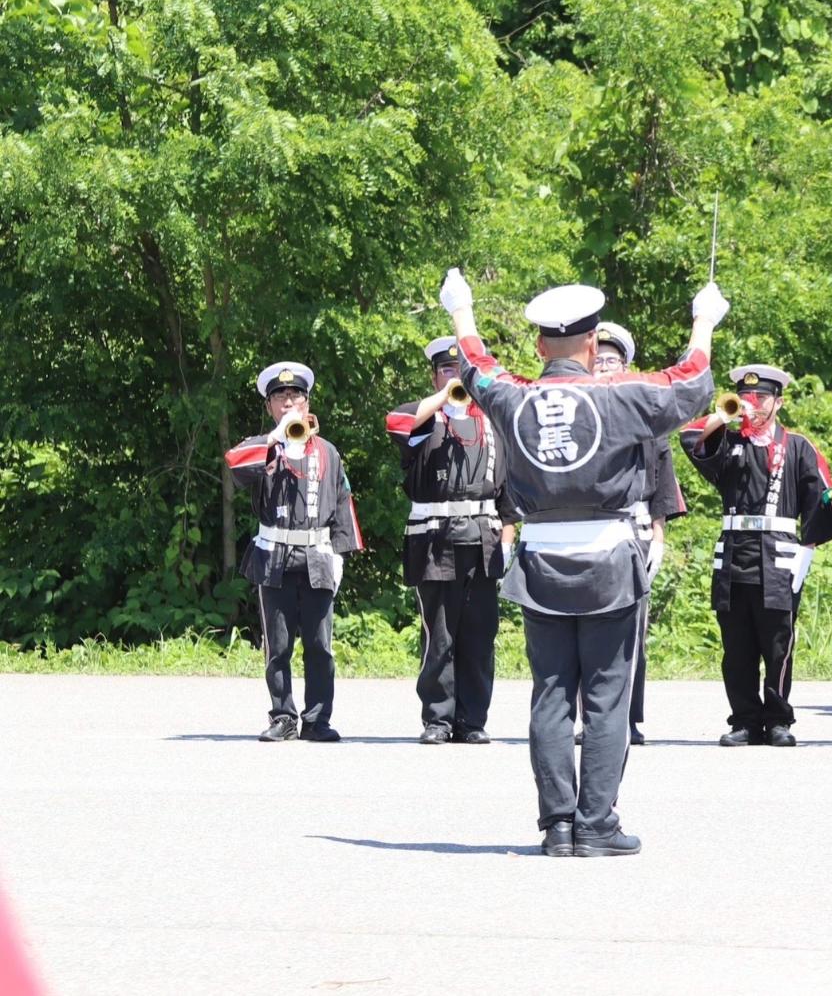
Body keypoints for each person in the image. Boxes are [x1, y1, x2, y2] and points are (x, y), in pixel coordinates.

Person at [441, 268, 722, 857]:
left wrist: (461, 311)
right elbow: (692, 384)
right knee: (606, 696)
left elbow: (475, 365)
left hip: (541, 560)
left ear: (540, 345)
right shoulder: (618, 395)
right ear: (594, 344)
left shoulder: (514, 398)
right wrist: (703, 322)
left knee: (549, 694)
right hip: (609, 564)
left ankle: (558, 826)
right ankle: (597, 824)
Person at [681, 365, 832, 746]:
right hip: (733, 553)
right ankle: (744, 719)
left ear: (779, 402)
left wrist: (806, 550)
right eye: (747, 396)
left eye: (761, 398)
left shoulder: (797, 446)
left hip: (778, 553)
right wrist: (726, 414)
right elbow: (690, 438)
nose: (753, 404)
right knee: (736, 645)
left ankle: (778, 719)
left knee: (778, 642)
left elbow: (822, 498)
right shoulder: (728, 439)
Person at [225, 361, 364, 743]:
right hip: (274, 557)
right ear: (269, 405)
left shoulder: (328, 452)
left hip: (318, 557)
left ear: (307, 401)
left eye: (296, 395)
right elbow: (235, 465)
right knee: (278, 645)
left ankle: (317, 719)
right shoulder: (263, 449)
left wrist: (339, 555)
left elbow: (343, 503)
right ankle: (283, 716)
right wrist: (275, 436)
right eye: (280, 396)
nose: (289, 402)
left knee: (320, 645)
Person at [387, 337, 508, 745]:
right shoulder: (428, 419)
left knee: (480, 634)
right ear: (435, 375)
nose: (456, 377)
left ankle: (472, 720)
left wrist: (507, 539)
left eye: (463, 371)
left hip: (483, 541)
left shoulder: (494, 421)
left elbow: (511, 492)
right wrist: (444, 396)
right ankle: (437, 718)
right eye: (447, 370)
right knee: (439, 634)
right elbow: (396, 422)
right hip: (435, 542)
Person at [592, 320, 688, 746]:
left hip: (636, 531)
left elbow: (662, 483)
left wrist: (660, 538)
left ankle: (628, 719)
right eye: (598, 360)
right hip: (589, 530)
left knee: (632, 633)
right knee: (587, 630)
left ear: (627, 366)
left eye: (612, 361)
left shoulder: (648, 419)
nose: (604, 367)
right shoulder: (575, 410)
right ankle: (589, 719)